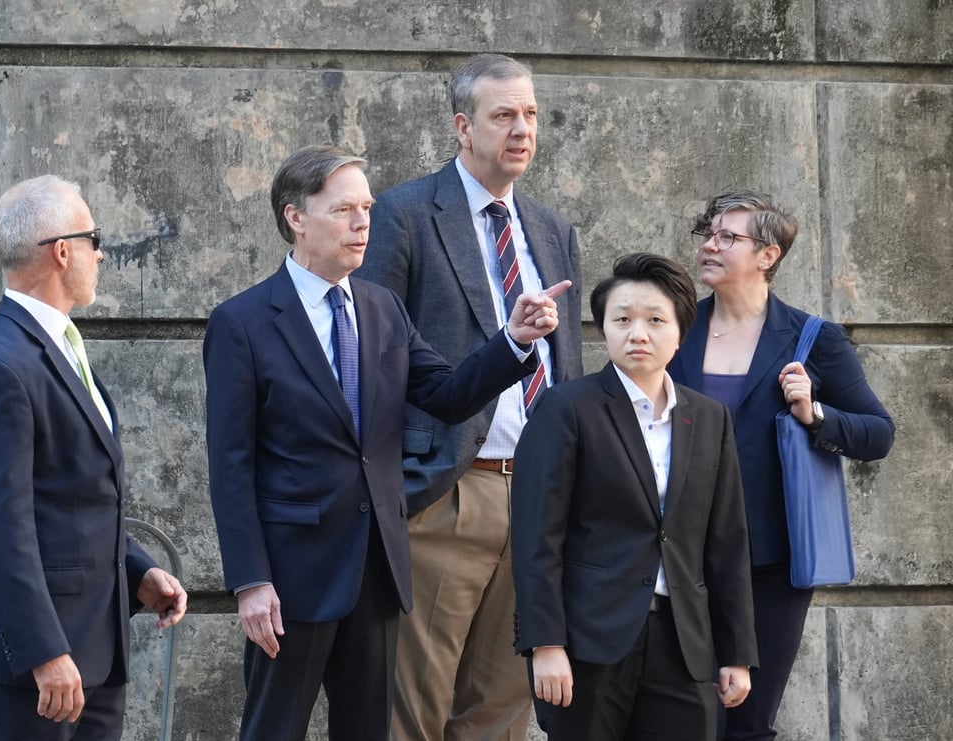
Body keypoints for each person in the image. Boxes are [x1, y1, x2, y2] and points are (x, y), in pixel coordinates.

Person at [203, 144, 569, 741]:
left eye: (367, 207)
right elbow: (231, 464)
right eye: (344, 209)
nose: (362, 223)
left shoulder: (381, 306)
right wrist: (250, 580)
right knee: (274, 728)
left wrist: (514, 342)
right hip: (293, 577)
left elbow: (448, 396)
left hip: (377, 567)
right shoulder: (241, 322)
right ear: (296, 217)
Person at [356, 52, 582, 741]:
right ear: (463, 125)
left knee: (503, 713)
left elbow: (566, 366)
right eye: (504, 115)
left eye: (532, 114)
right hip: (446, 495)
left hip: (541, 500)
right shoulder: (401, 216)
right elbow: (372, 361)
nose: (522, 129)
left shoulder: (552, 231)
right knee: (411, 712)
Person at [0, 175, 188, 740]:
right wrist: (44, 652)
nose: (101, 252)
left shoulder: (56, 345)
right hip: (27, 669)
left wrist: (138, 571)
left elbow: (72, 498)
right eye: (94, 237)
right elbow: (2, 526)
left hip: (92, 655)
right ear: (64, 251)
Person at [668, 191, 895, 739]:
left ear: (768, 255)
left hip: (768, 563)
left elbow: (877, 434)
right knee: (680, 718)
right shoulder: (674, 329)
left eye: (729, 237)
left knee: (745, 721)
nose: (711, 247)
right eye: (708, 234)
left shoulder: (810, 338)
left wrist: (815, 413)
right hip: (677, 557)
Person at [511, 252, 758, 741]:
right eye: (622, 320)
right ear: (604, 327)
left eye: (654, 320)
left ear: (680, 331)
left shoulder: (709, 419)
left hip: (683, 641)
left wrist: (737, 653)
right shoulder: (567, 407)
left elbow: (726, 542)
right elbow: (537, 536)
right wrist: (545, 644)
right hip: (590, 641)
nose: (637, 333)